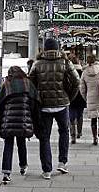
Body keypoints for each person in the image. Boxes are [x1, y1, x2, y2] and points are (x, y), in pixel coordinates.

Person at [28, 37, 80, 178]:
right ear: (58, 48)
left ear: (44, 49)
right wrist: (69, 97)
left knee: (44, 137)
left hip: (44, 107)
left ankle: (46, 170)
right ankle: (62, 162)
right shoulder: (65, 62)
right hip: (62, 105)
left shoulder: (37, 64)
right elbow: (77, 81)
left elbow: (30, 86)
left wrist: (36, 100)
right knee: (64, 132)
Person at [0, 66, 41, 184]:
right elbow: (34, 101)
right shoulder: (28, 84)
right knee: (21, 143)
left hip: (8, 121)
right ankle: (23, 166)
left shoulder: (6, 84)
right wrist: (32, 117)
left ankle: (6, 173)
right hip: (23, 120)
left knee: (8, 145)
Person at [68, 56, 87, 143]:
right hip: (81, 96)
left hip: (71, 97)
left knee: (71, 116)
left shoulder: (68, 73)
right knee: (80, 115)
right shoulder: (83, 72)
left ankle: (73, 135)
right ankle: (79, 132)